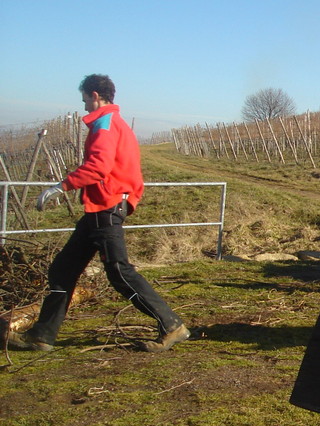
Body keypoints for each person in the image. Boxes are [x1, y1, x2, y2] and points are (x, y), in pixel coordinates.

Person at [6, 75, 189, 353]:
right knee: (62, 269)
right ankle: (42, 336)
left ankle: (171, 324)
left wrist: (61, 186)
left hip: (106, 207)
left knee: (119, 272)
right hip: (99, 209)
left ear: (95, 95)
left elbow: (99, 166)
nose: (83, 105)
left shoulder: (105, 124)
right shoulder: (114, 123)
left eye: (84, 99)